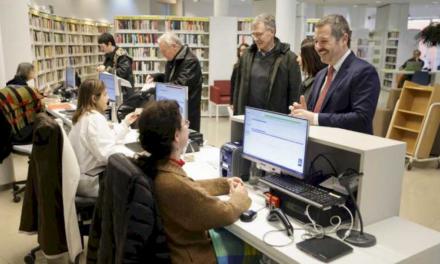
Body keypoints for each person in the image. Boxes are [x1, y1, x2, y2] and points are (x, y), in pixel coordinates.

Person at [137, 100, 251, 264]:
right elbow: (225, 213)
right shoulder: (172, 182)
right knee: (256, 250)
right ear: (176, 136)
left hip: (177, 247)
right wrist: (240, 197)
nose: (188, 126)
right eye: (185, 123)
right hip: (192, 255)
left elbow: (189, 189)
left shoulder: (156, 165)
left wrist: (223, 185)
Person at [290, 14, 380, 135]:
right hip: (319, 148)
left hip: (347, 150)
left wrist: (315, 118)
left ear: (344, 39)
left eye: (324, 41)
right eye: (316, 41)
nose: (317, 47)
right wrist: (304, 113)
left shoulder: (364, 72)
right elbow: (316, 114)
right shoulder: (321, 75)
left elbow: (361, 119)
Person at [68, 79, 138, 197]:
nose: (108, 98)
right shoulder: (94, 119)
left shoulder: (83, 115)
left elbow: (106, 140)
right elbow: (108, 155)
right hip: (91, 181)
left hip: (81, 176)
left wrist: (125, 123)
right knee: (136, 185)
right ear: (94, 99)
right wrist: (136, 155)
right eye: (105, 95)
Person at [233, 13, 301, 115]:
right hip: (248, 118)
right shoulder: (247, 55)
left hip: (275, 120)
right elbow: (238, 87)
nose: (255, 39)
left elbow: (294, 94)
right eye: (253, 34)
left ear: (272, 32)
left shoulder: (289, 59)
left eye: (259, 34)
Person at [146, 32, 203, 132]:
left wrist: (155, 89)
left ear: (174, 46)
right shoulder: (174, 58)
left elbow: (179, 85)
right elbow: (170, 79)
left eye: (164, 51)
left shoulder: (190, 61)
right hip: (175, 108)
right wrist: (157, 76)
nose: (163, 54)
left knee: (185, 140)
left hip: (186, 111)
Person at [297, 37, 327, 102]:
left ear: (310, 59)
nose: (298, 59)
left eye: (300, 55)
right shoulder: (309, 82)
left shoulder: (318, 85)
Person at [230, 43, 249, 107]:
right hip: (238, 98)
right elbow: (233, 85)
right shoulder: (236, 67)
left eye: (244, 50)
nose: (242, 53)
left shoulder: (253, 67)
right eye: (240, 51)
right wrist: (231, 102)